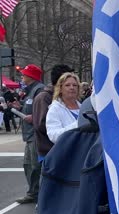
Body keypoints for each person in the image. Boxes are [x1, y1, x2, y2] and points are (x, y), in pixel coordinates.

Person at [10, 64, 45, 204]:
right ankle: (33, 192)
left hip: (35, 134)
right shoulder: (31, 90)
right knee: (28, 164)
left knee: (35, 165)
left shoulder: (39, 90)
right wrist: (20, 107)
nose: (22, 76)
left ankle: (35, 193)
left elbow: (42, 110)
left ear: (31, 76)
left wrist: (33, 117)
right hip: (30, 134)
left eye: (24, 74)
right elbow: (30, 107)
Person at [33, 64, 74, 162]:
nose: (72, 86)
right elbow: (42, 125)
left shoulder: (66, 98)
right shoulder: (44, 97)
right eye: (68, 83)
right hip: (49, 151)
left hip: (63, 151)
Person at [46, 72, 81, 143]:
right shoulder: (55, 109)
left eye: (74, 85)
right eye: (67, 85)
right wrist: (77, 125)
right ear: (60, 89)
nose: (72, 87)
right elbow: (53, 136)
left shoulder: (83, 107)